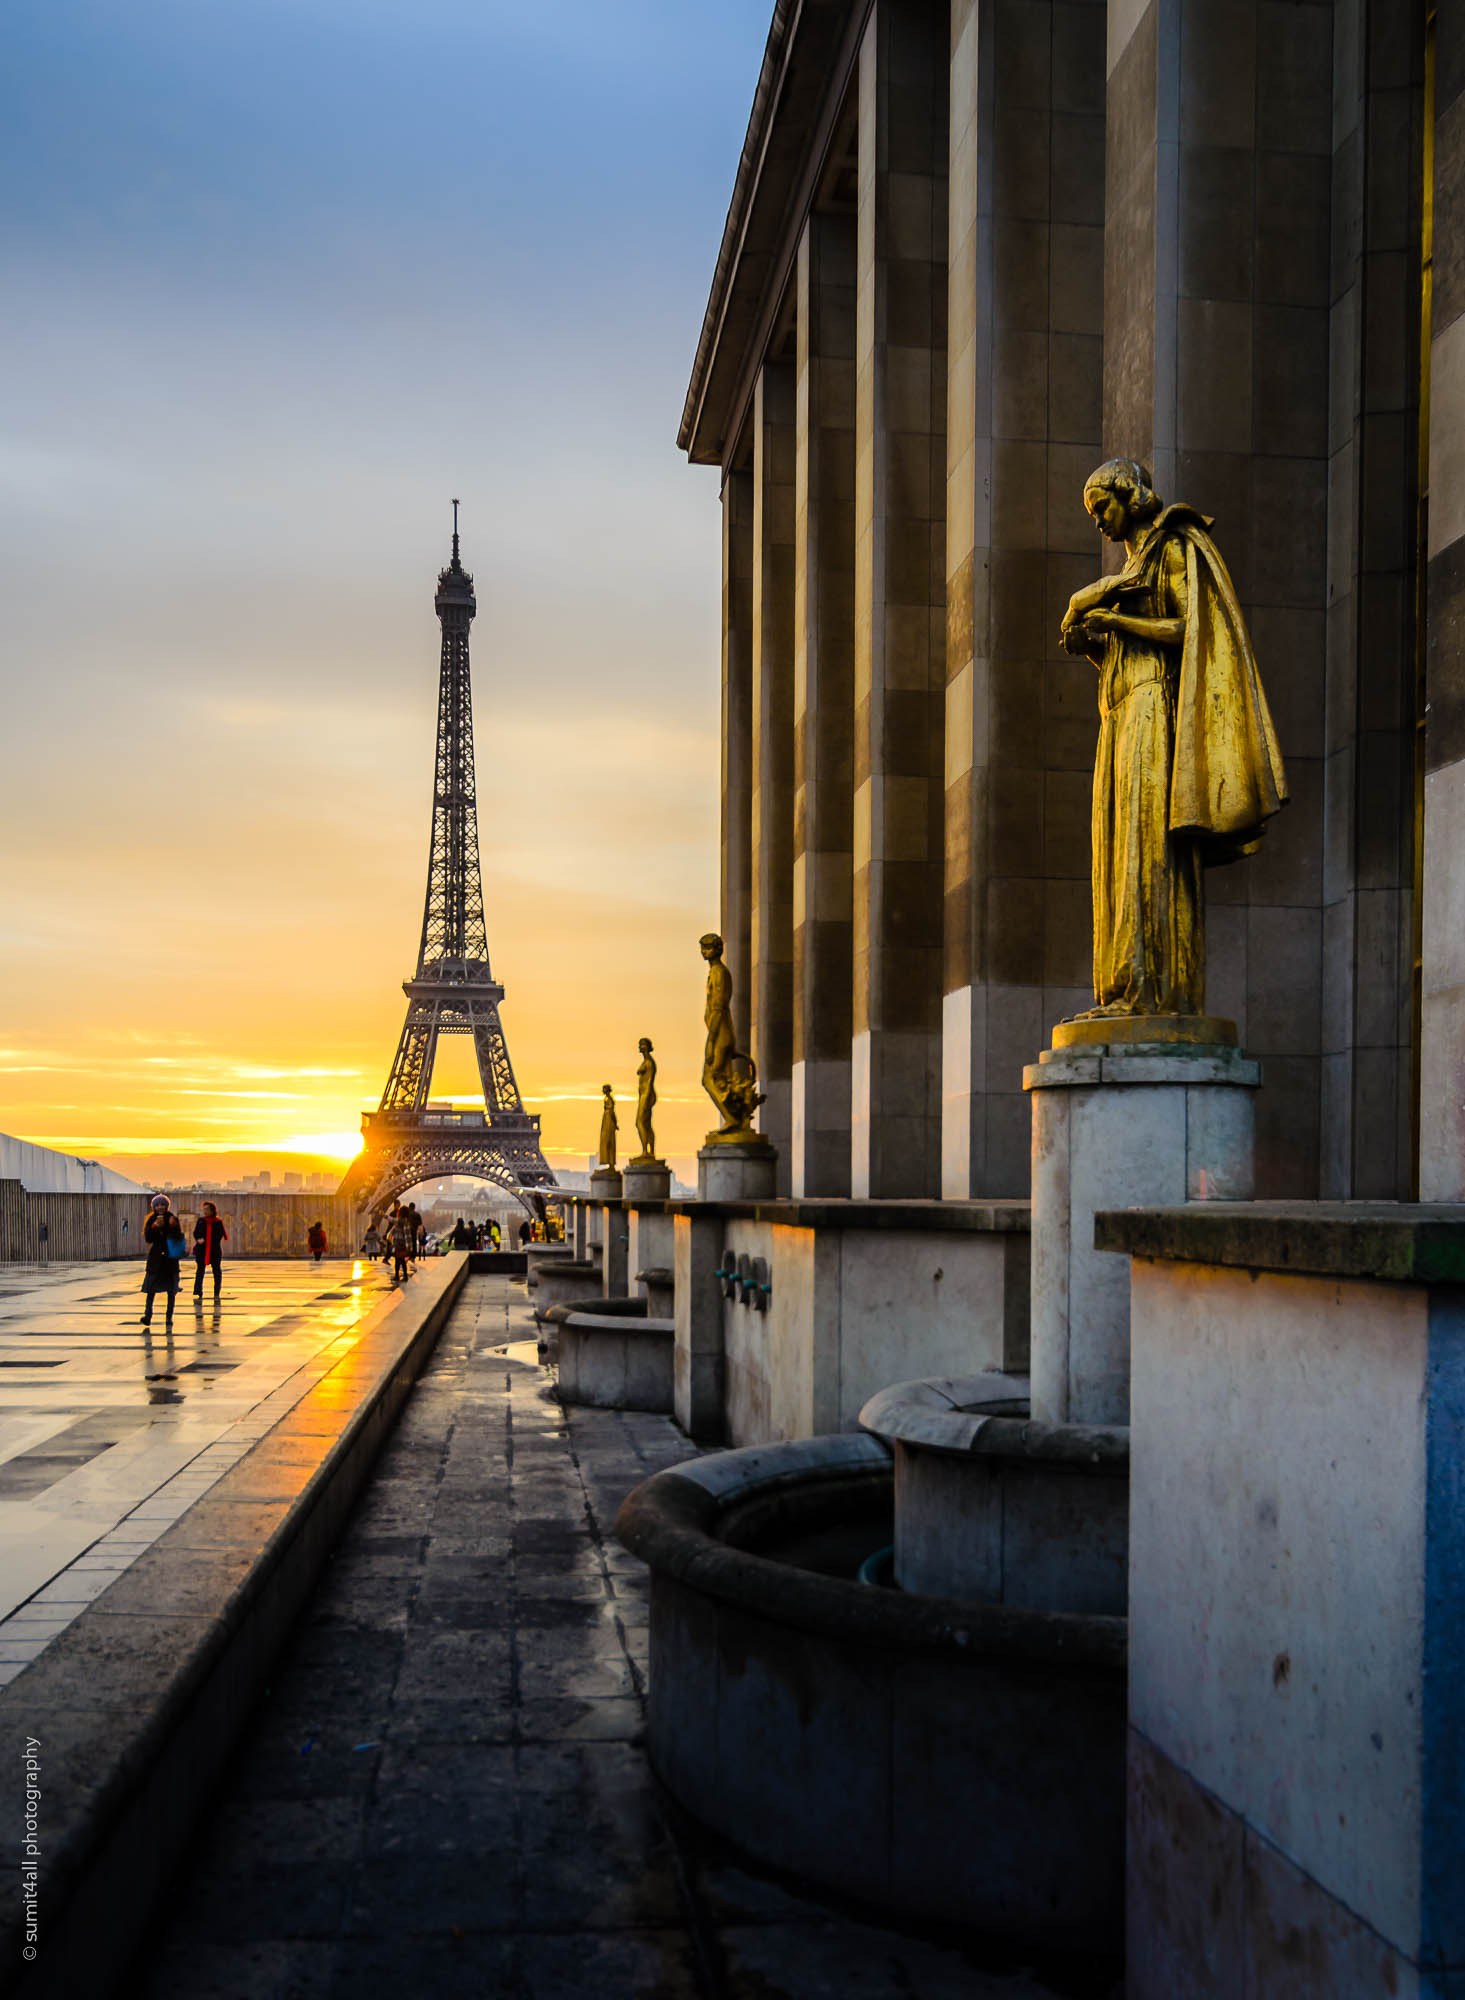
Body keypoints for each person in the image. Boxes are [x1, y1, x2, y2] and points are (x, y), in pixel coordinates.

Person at [1060, 458, 1287, 1018]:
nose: (1098, 523)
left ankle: (1153, 992)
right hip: (1117, 715)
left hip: (1152, 711)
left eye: (1101, 508)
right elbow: (1128, 650)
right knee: (1116, 855)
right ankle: (1119, 990)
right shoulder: (1131, 568)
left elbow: (1190, 629)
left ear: (1130, 497)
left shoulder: (1174, 547)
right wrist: (1093, 643)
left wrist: (1116, 621)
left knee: (1146, 848)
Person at [141, 1193, 186, 1330]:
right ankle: (148, 1316)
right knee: (151, 1290)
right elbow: (148, 1239)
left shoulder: (172, 1218)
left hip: (170, 1259)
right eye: (157, 1205)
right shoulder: (151, 1219)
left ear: (167, 1206)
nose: (160, 1207)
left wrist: (171, 1227)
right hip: (155, 1259)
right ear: (154, 1206)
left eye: (162, 1205)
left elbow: (178, 1237)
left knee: (171, 1291)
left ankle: (169, 1318)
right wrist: (154, 1227)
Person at [192, 1201, 227, 1304]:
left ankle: (216, 1292)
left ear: (212, 1210)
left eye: (207, 1209)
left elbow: (219, 1235)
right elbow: (196, 1232)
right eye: (204, 1209)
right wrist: (199, 1239)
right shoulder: (201, 1221)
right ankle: (198, 1291)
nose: (205, 1211)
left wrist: (208, 1241)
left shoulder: (217, 1222)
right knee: (200, 1271)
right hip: (202, 1250)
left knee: (216, 1272)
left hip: (214, 1250)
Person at [390, 1205, 414, 1281]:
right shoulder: (406, 1222)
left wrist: (384, 1215)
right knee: (402, 1260)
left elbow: (391, 1219)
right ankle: (404, 1275)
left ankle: (397, 1275)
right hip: (402, 1243)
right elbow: (408, 1236)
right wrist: (409, 1247)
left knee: (398, 1260)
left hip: (398, 1243)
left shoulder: (398, 1221)